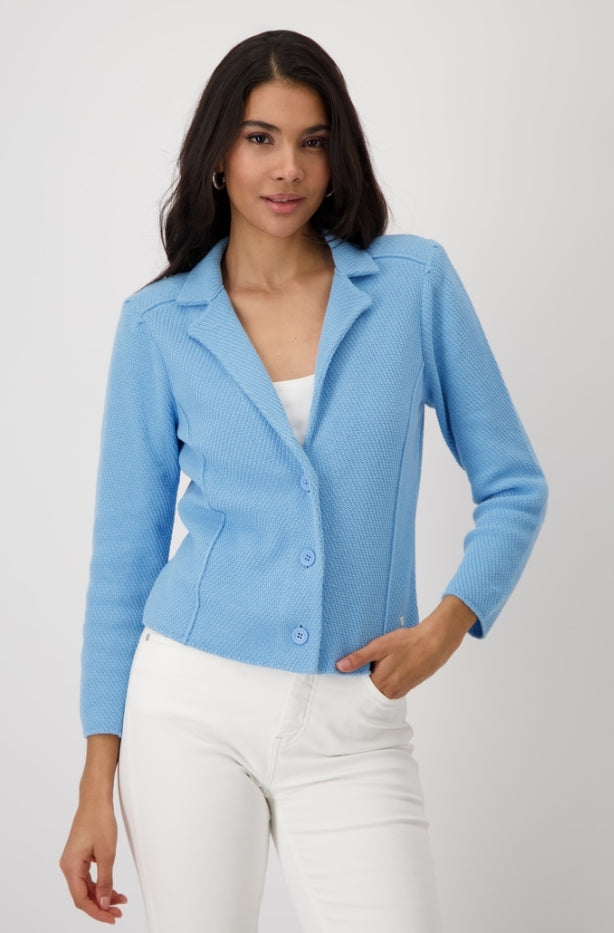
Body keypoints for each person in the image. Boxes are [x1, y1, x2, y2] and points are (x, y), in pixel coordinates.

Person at [60, 29, 548, 933]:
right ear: (218, 154)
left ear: (337, 154)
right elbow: (124, 562)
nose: (289, 168)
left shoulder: (412, 285)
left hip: (356, 720)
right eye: (261, 138)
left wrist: (449, 623)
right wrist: (98, 781)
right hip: (188, 707)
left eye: (312, 141)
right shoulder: (158, 325)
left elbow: (516, 484)